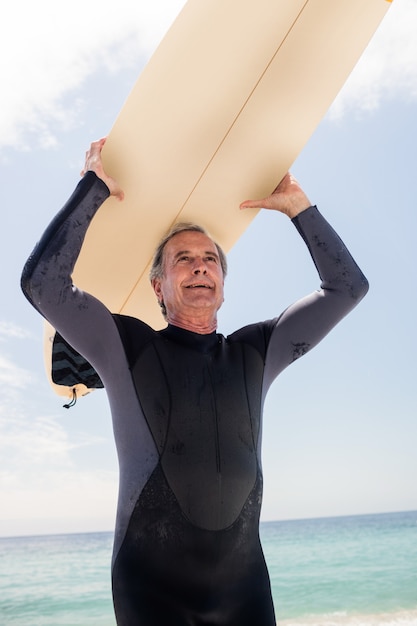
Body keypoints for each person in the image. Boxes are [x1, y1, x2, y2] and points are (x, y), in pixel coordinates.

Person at [21, 137, 369, 626]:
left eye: (210, 258)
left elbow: (348, 287)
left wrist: (299, 208)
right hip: (151, 594)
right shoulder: (128, 347)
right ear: (158, 287)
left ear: (223, 285)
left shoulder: (257, 351)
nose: (201, 264)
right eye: (182, 258)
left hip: (245, 595)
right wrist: (93, 188)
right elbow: (44, 284)